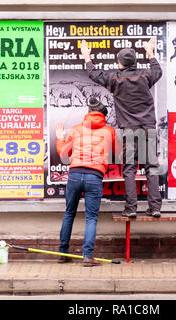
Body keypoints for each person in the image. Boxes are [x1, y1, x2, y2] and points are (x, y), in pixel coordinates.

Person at [80, 37, 163, 218]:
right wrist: (150, 52)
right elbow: (157, 70)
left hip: (129, 130)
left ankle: (131, 209)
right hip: (148, 127)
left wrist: (87, 57)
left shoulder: (115, 79)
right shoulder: (145, 76)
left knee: (130, 169)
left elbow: (93, 73)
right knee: (152, 168)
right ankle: (155, 208)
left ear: (120, 63)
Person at [55, 97, 119, 266]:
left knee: (69, 213)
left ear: (88, 113)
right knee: (91, 218)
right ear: (104, 115)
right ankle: (87, 256)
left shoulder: (76, 130)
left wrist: (60, 139)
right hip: (94, 175)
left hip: (75, 174)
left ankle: (63, 253)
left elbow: (63, 154)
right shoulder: (109, 131)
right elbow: (118, 154)